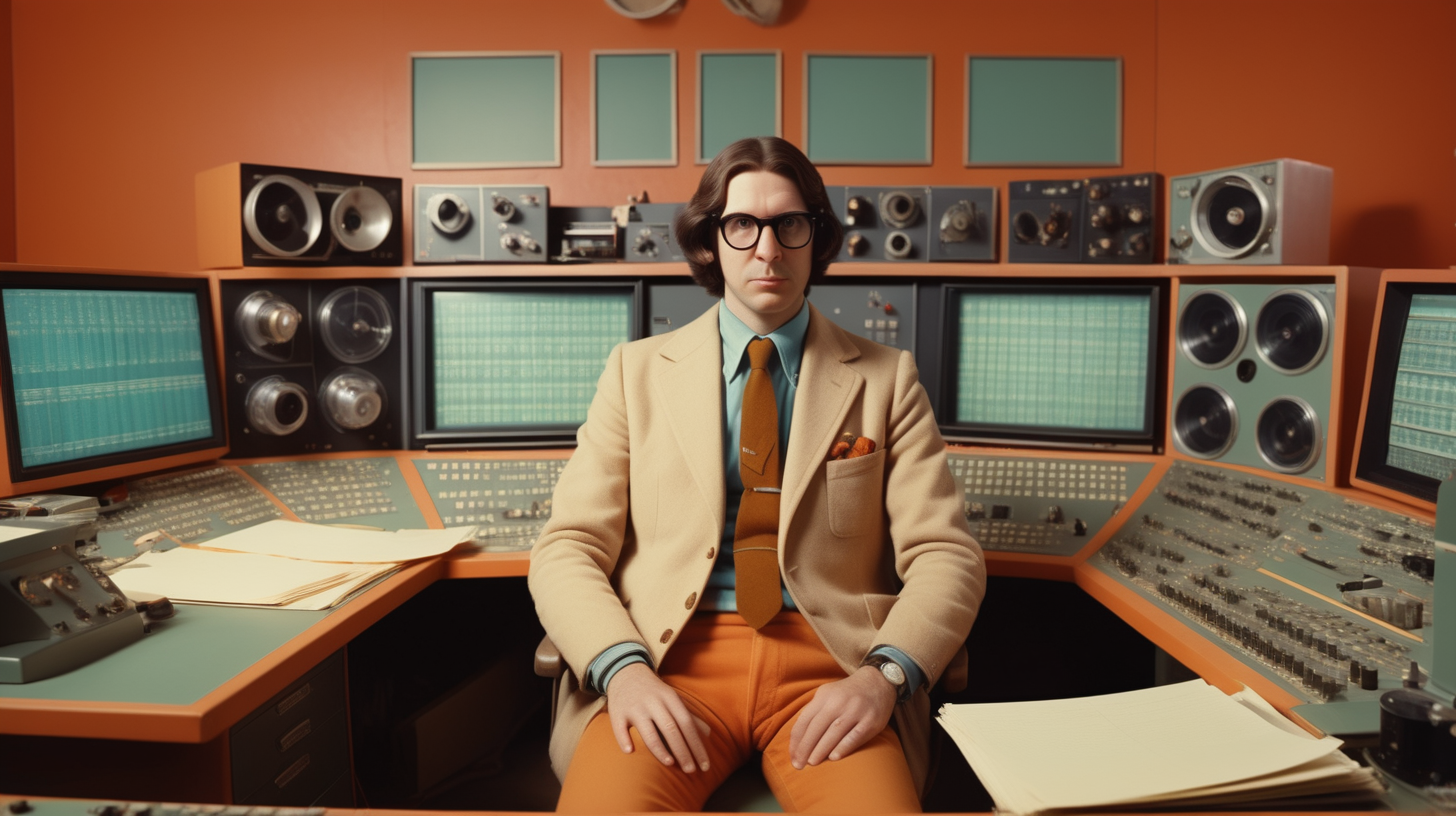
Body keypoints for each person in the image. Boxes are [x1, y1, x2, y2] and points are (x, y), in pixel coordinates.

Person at [528, 136, 985, 813]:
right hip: (668, 662)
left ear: (815, 238)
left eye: (789, 224)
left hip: (830, 671)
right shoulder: (636, 373)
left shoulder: (889, 381)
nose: (767, 249)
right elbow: (567, 548)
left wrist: (884, 676)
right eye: (742, 225)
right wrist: (621, 671)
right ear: (711, 241)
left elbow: (946, 554)